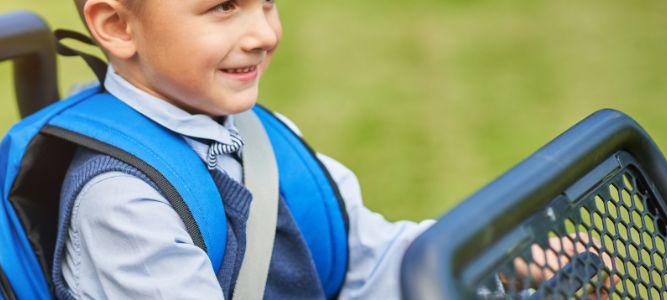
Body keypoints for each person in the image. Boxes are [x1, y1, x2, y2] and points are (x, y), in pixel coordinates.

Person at [54, 0, 432, 299]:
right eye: (224, 6)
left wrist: (476, 258)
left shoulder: (260, 136)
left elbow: (376, 265)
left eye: (267, 1)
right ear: (117, 26)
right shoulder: (122, 206)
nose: (265, 35)